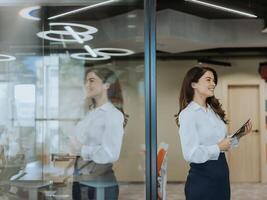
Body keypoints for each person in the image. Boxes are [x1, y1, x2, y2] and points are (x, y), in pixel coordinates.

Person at [175, 66, 252, 200]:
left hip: (221, 174)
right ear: (193, 84)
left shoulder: (213, 111)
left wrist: (239, 135)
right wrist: (218, 147)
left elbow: (222, 143)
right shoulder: (188, 115)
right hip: (202, 178)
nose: (213, 84)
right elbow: (190, 154)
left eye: (214, 80)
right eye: (208, 80)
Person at [71, 67, 127, 200]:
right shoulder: (89, 113)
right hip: (80, 181)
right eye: (86, 81)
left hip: (100, 185)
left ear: (107, 84)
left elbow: (111, 154)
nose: (87, 85)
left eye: (92, 81)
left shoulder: (113, 115)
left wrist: (81, 149)